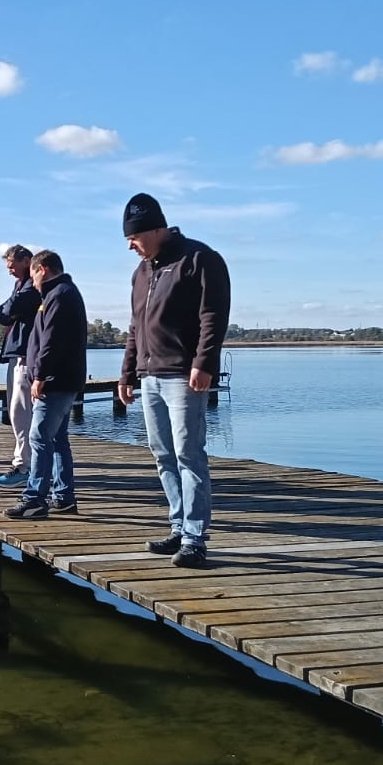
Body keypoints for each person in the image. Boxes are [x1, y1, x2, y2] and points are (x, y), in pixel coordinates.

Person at [118, 192, 231, 568]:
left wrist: (204, 362)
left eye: (134, 237)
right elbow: (135, 326)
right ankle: (179, 527)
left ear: (155, 229)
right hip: (149, 376)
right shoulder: (141, 272)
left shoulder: (199, 259)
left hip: (184, 375)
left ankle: (195, 538)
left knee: (188, 454)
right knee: (163, 454)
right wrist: (128, 372)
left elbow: (213, 315)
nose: (131, 246)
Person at [3, 250, 86, 519]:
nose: (33, 281)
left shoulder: (59, 295)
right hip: (61, 378)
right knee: (57, 438)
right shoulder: (57, 294)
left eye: (33, 275)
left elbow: (51, 340)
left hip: (55, 380)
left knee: (39, 437)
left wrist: (40, 376)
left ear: (43, 269)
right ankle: (63, 496)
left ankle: (35, 499)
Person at [0, 244, 39, 488]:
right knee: (16, 410)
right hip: (16, 354)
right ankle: (27, 464)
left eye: (12, 266)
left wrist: (10, 308)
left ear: (26, 261)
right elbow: (3, 313)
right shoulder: (20, 285)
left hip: (25, 354)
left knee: (21, 412)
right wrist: (9, 308)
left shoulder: (32, 285)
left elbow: (10, 308)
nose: (9, 271)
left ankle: (24, 466)